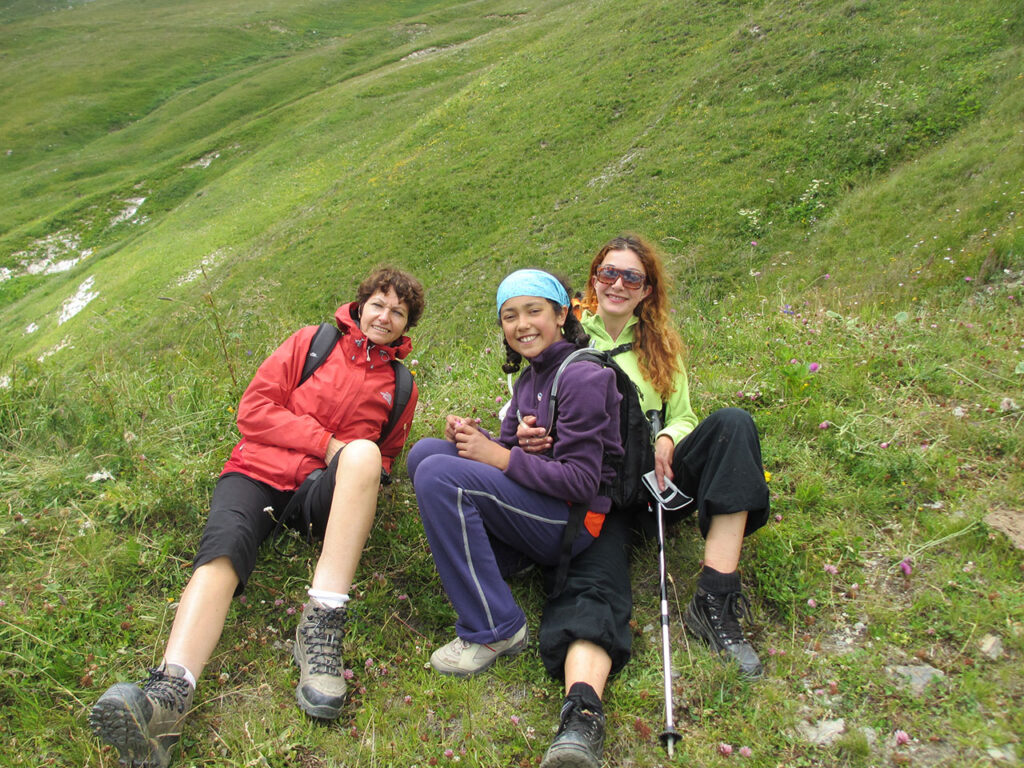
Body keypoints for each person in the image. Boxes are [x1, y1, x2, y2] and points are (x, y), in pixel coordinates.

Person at [89, 266, 425, 768]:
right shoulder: (311, 343)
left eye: (398, 312)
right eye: (379, 303)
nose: (385, 316)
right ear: (360, 304)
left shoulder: (400, 385)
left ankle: (321, 624)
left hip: (317, 497)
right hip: (256, 471)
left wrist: (351, 468)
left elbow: (388, 456)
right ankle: (167, 698)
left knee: (365, 457)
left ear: (406, 327)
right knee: (220, 557)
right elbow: (253, 410)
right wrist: (324, 443)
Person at [517, 236, 770, 768]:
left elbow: (682, 412)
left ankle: (714, 599)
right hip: (601, 492)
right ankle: (581, 716)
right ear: (592, 280)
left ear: (646, 291)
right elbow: (527, 406)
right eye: (608, 273)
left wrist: (669, 438)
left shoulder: (660, 345)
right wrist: (527, 436)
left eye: (631, 278)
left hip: (658, 478)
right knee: (592, 585)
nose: (617, 284)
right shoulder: (560, 338)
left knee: (732, 426)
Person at [406, 269, 623, 678]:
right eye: (509, 316)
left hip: (573, 522)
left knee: (438, 473)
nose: (521, 325)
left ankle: (495, 627)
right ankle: (506, 560)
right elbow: (505, 452)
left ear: (561, 315)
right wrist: (476, 438)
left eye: (533, 311)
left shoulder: (583, 376)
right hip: (537, 510)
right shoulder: (529, 377)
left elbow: (582, 483)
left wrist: (499, 457)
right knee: (426, 453)